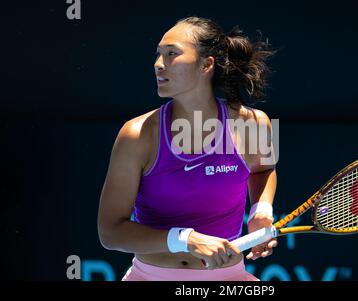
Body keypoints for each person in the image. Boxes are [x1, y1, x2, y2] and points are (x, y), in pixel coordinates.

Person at [97, 16, 278, 281]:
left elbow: (263, 171)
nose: (158, 65)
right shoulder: (136, 135)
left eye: (172, 54)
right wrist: (185, 239)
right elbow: (110, 233)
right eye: (159, 54)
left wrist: (261, 211)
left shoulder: (255, 123)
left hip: (229, 278)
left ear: (206, 64)